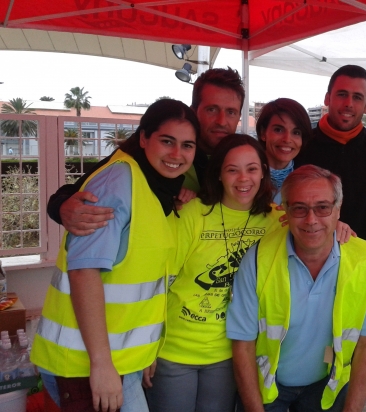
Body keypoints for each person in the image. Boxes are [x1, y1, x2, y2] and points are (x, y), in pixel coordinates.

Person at [30, 99, 200, 412]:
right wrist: (101, 365)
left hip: (119, 360)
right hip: (85, 364)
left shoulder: (152, 187)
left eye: (187, 145)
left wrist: (141, 352)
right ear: (144, 138)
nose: (177, 154)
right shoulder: (118, 181)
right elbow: (84, 271)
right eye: (167, 141)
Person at [227, 165, 366, 412]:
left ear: (338, 209)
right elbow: (243, 344)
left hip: (327, 385)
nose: (311, 220)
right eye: (299, 208)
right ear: (285, 210)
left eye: (322, 208)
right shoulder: (259, 259)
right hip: (268, 385)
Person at [144, 134, 283, 412]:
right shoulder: (193, 214)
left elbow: (316, 233)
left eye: (252, 169)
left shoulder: (278, 221)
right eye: (232, 170)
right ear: (219, 174)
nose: (243, 178)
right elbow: (157, 281)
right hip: (174, 350)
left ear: (263, 172)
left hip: (231, 353)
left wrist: (341, 228)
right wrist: (147, 344)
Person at [47, 67, 245, 236]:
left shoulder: (242, 156)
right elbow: (77, 191)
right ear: (194, 111)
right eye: (212, 110)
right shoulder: (147, 149)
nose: (222, 121)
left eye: (231, 112)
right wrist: (62, 207)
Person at [295, 65, 366, 243]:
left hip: (364, 255)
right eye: (342, 94)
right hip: (308, 252)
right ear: (327, 98)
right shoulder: (302, 145)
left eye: (357, 97)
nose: (349, 103)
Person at [256, 98, 313, 204]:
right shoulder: (246, 176)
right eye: (278, 130)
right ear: (263, 133)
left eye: (296, 132)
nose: (287, 139)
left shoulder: (309, 181)